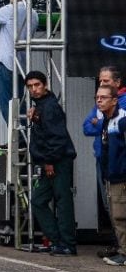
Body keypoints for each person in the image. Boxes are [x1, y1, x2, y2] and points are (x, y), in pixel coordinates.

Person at [25, 70, 77, 256]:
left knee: (62, 201)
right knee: (38, 200)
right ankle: (58, 241)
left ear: (45, 85)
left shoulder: (50, 106)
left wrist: (48, 162)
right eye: (30, 86)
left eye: (37, 85)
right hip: (52, 160)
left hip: (57, 161)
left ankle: (67, 244)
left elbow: (57, 138)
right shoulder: (41, 105)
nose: (34, 89)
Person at [82, 65, 126, 258]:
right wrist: (101, 123)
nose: (102, 84)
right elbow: (86, 127)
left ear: (117, 83)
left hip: (120, 165)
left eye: (106, 81)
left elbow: (112, 127)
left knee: (120, 208)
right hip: (103, 160)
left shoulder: (122, 103)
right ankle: (119, 245)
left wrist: (99, 123)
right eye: (100, 81)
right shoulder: (102, 102)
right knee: (111, 206)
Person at [94, 84, 126, 265]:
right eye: (97, 97)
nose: (99, 100)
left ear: (114, 100)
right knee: (116, 216)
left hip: (121, 176)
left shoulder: (122, 120)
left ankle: (124, 253)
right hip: (112, 176)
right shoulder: (107, 121)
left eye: (103, 97)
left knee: (121, 216)